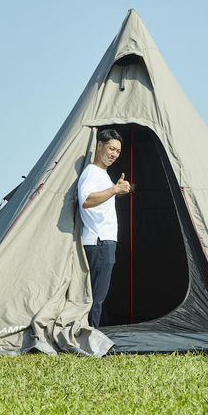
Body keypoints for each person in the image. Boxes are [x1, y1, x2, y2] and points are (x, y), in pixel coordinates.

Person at [78, 128, 130, 328]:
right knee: (97, 295)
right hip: (99, 241)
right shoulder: (91, 172)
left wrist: (115, 190)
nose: (114, 154)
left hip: (105, 241)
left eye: (117, 151)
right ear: (99, 145)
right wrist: (114, 189)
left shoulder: (102, 174)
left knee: (102, 293)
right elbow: (87, 200)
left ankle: (100, 333)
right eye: (111, 148)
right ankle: (92, 336)